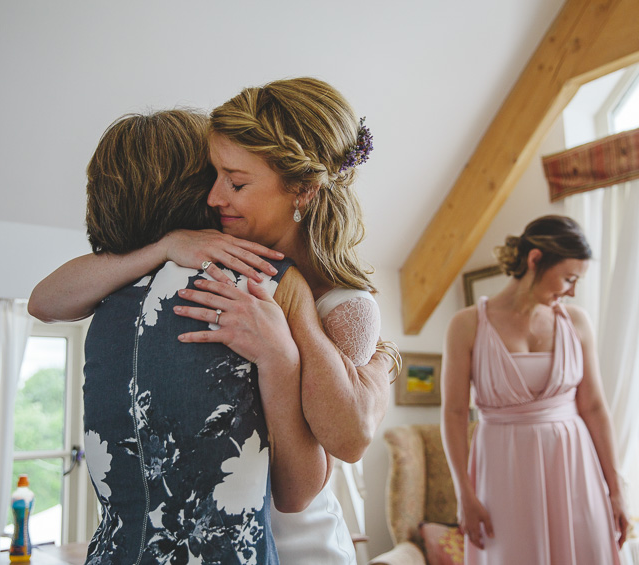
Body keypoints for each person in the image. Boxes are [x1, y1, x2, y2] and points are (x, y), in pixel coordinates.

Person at [29, 77, 397, 564]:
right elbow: (44, 301)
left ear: (302, 192)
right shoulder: (208, 265)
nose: (214, 197)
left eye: (235, 181)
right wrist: (163, 246)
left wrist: (377, 364)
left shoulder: (335, 300)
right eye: (213, 176)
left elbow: (340, 445)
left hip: (298, 543)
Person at [69, 108, 331, 564]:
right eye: (214, 174)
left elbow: (42, 303)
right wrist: (282, 362)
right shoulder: (265, 281)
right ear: (196, 187)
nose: (218, 194)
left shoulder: (100, 295)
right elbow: (298, 491)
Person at [440, 215, 629, 565]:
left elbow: (595, 408)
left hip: (574, 465)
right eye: (569, 278)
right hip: (503, 470)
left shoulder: (576, 322)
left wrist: (616, 489)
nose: (571, 291)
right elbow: (453, 412)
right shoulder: (465, 325)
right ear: (535, 259)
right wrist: (464, 493)